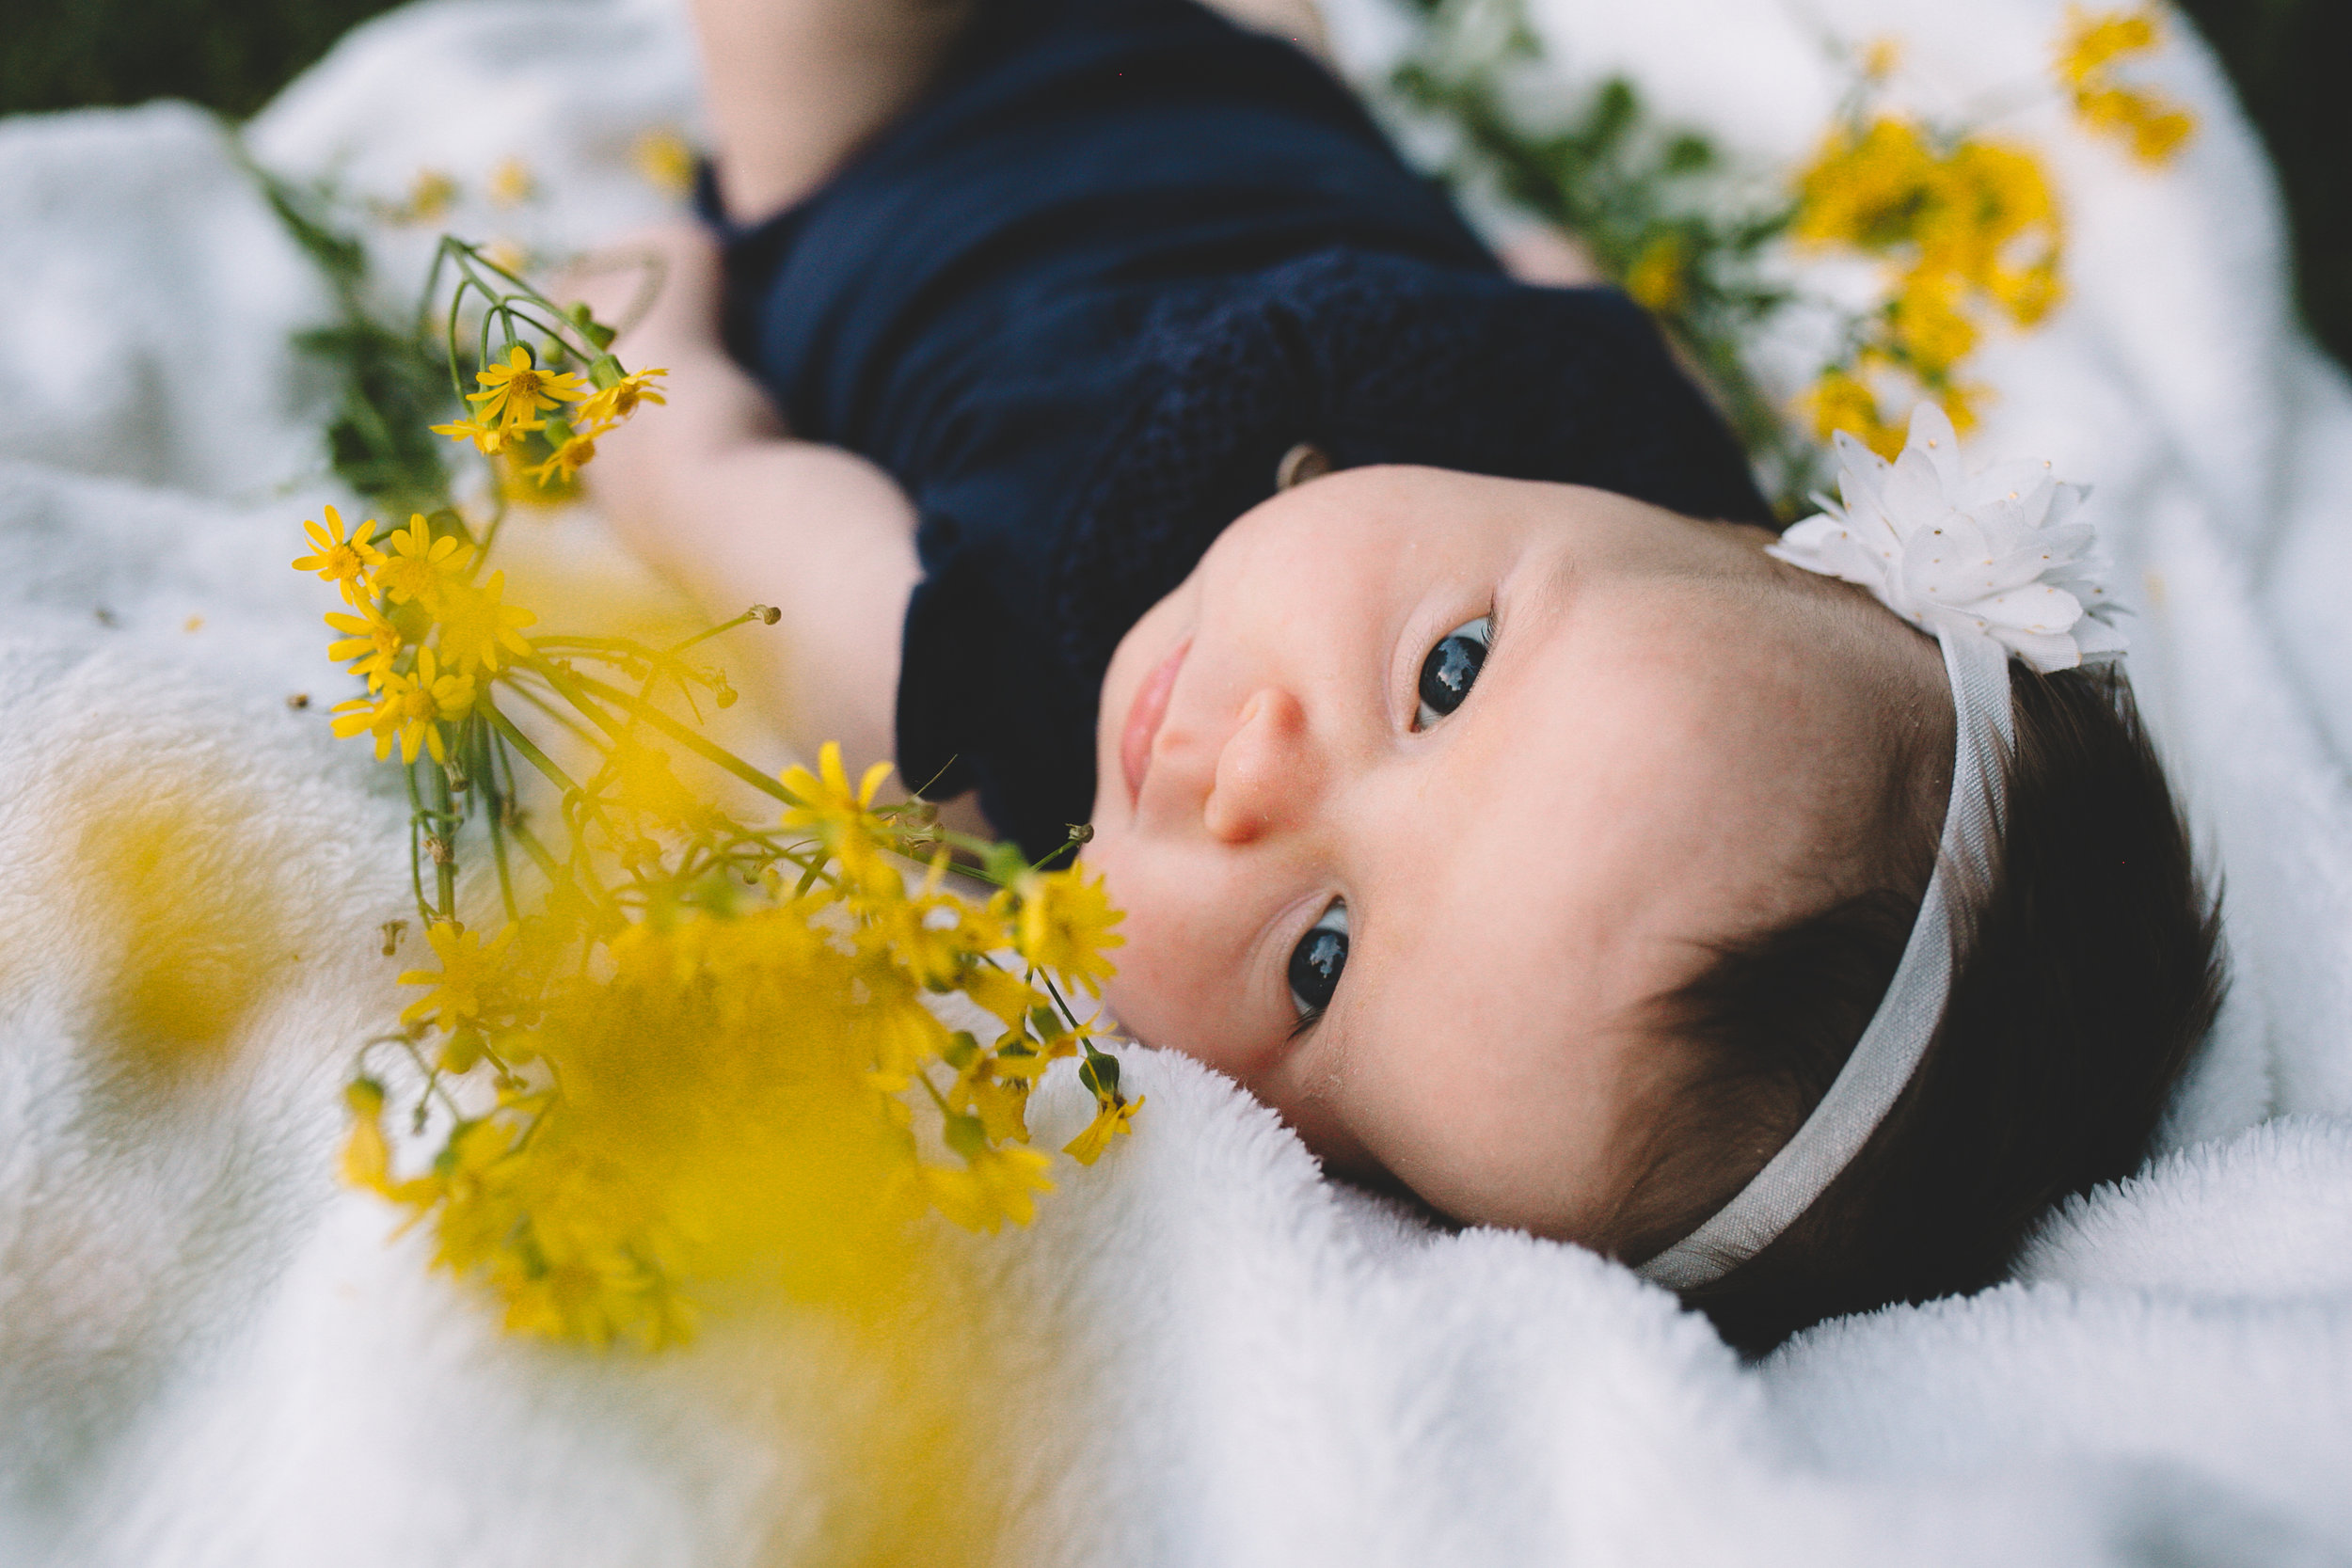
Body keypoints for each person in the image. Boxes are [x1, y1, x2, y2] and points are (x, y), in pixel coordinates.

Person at [578, 0, 2224, 1349]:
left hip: (886, 170)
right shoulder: (1617, 434)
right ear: (1715, 520)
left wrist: (652, 342)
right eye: (1447, 674)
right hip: (1246, 80)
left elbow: (718, 484)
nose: (1252, 781)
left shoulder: (973, 704)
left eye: (1321, 963)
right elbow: (1580, 294)